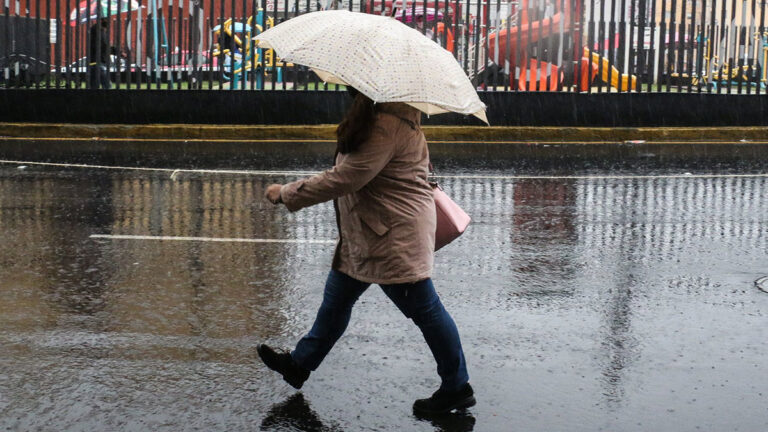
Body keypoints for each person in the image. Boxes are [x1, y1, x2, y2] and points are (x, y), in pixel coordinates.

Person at [257, 88, 474, 415]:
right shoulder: (380, 116)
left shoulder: (386, 124)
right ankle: (299, 364)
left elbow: (347, 177)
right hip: (371, 232)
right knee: (337, 299)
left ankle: (457, 386)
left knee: (425, 309)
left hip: (392, 237)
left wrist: (287, 193)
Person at [88, 17, 125, 89]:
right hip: (98, 63)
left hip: (94, 63)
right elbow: (106, 46)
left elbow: (105, 46)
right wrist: (119, 53)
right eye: (106, 19)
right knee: (107, 86)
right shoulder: (98, 31)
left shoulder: (96, 31)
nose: (109, 22)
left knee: (94, 87)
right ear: (101, 20)